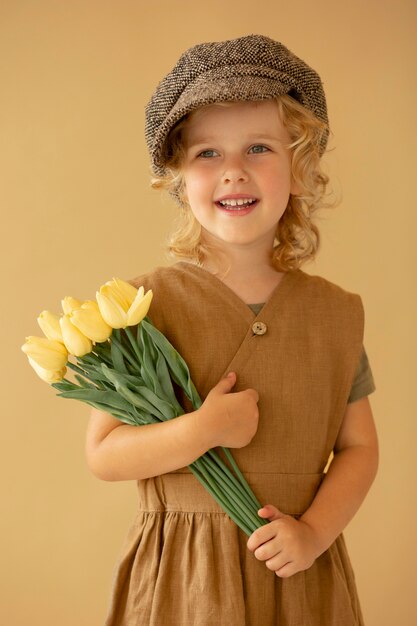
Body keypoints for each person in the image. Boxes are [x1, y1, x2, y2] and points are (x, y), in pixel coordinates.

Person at [86, 34, 379, 625]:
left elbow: (360, 449)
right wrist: (201, 430)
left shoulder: (335, 314)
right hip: (182, 581)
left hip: (297, 574)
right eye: (208, 155)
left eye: (259, 148)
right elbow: (104, 454)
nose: (234, 172)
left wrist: (315, 533)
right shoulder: (143, 307)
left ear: (300, 168)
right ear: (178, 178)